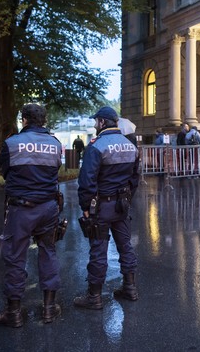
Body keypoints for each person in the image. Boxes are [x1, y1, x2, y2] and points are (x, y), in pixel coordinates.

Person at [0, 103, 64, 328]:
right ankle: (49, 309)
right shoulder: (55, 144)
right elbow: (55, 170)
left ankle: (13, 313)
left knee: (15, 256)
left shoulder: (11, 143)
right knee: (48, 251)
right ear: (44, 120)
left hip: (21, 209)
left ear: (23, 119)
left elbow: (5, 171)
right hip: (48, 207)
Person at [74, 106, 140, 310]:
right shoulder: (130, 145)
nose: (94, 125)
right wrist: (127, 199)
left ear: (102, 122)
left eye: (96, 121)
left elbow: (87, 181)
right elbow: (135, 178)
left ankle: (94, 297)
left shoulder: (96, 146)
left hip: (101, 207)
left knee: (98, 250)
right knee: (125, 246)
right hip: (122, 205)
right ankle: (130, 288)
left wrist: (86, 206)